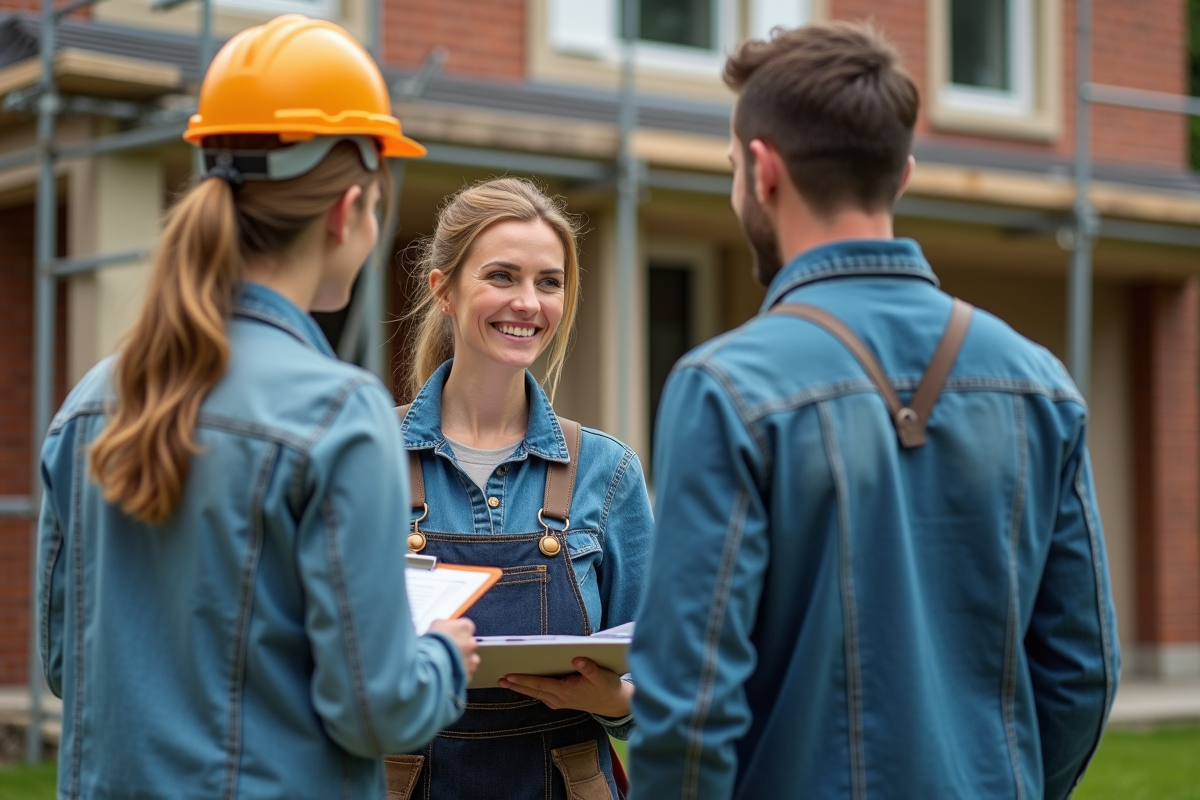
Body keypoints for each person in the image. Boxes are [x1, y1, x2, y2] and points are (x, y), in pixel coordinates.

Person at [628, 21, 1120, 800]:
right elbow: (1083, 672)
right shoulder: (1041, 383)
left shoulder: (724, 385)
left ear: (763, 170)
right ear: (903, 174)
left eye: (731, 168)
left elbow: (688, 708)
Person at [35, 15, 478, 800]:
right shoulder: (338, 413)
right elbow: (375, 710)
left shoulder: (89, 403)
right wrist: (443, 656)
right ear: (348, 210)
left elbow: (69, 665)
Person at [384, 177, 652, 800]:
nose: (528, 302)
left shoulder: (608, 472)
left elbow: (672, 692)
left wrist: (614, 701)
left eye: (548, 282)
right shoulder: (365, 458)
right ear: (443, 290)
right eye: (502, 276)